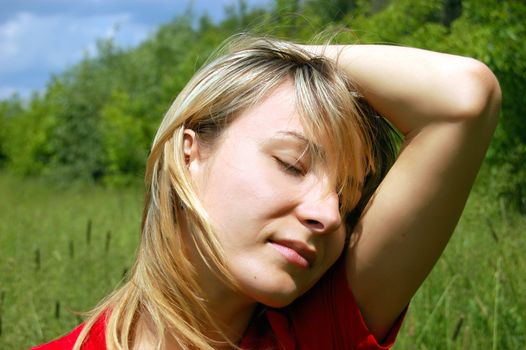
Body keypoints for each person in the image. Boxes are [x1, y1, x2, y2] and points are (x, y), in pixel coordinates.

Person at [33, 35, 501, 350]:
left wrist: (286, 53)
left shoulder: (317, 332)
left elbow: (464, 98)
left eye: (348, 199)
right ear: (189, 154)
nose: (329, 216)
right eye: (291, 164)